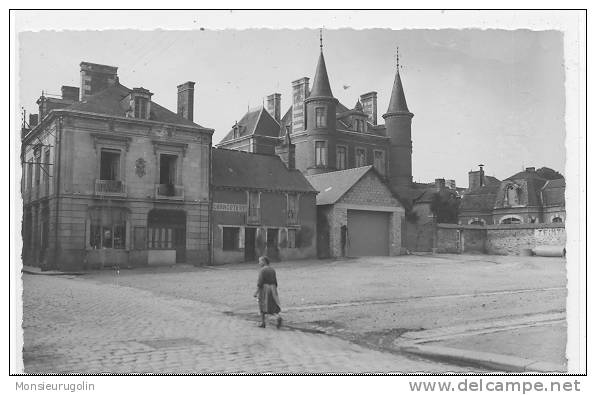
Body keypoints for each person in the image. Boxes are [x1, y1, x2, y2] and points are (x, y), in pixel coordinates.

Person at [253, 256, 282, 328]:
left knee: (262, 304)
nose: (259, 263)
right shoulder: (272, 269)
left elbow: (260, 282)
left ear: (264, 261)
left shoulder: (262, 270)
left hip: (264, 289)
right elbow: (275, 281)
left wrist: (256, 292)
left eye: (260, 261)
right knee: (272, 305)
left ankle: (263, 323)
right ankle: (278, 317)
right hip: (273, 288)